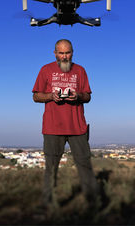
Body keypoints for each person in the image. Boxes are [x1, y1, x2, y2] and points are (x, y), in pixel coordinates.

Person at [32, 39, 99, 206]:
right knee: (51, 168)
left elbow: (88, 96)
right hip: (52, 128)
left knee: (84, 165)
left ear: (72, 52)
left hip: (78, 128)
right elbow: (35, 96)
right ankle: (48, 205)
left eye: (67, 52)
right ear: (54, 53)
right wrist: (50, 96)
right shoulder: (45, 70)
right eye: (60, 53)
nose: (64, 57)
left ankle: (92, 203)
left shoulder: (80, 71)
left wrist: (78, 96)